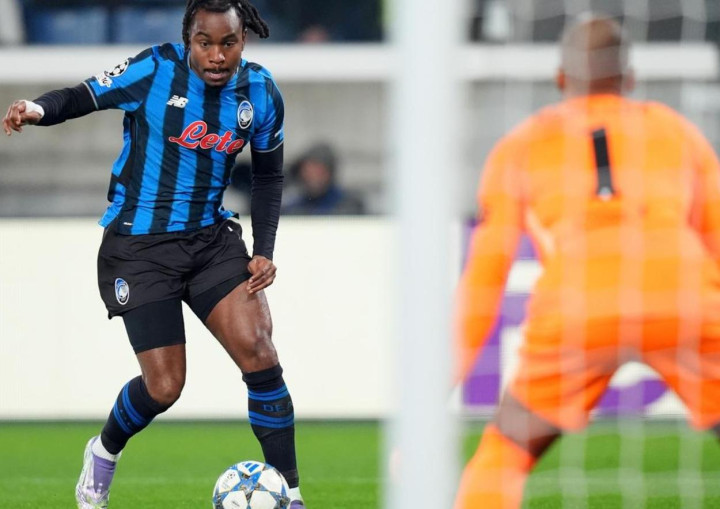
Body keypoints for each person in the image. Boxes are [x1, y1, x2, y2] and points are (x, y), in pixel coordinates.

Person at [2, 1, 306, 508]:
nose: (216, 55)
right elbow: (84, 95)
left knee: (260, 351)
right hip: (138, 249)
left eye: (227, 43)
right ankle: (104, 449)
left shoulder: (260, 90)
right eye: (205, 43)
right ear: (189, 40)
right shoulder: (155, 68)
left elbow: (270, 174)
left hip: (210, 241)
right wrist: (37, 109)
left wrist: (263, 250)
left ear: (243, 41)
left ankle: (291, 494)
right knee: (164, 387)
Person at [454, 14, 720, 509]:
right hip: (684, 299)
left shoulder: (521, 145)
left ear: (561, 79)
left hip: (579, 306)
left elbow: (483, 283)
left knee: (506, 452)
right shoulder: (677, 132)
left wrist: (434, 394)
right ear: (630, 79)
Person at [281, 142, 366, 215]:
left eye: (318, 171)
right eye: (308, 171)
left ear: (329, 173)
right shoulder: (293, 206)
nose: (312, 177)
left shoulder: (349, 205)